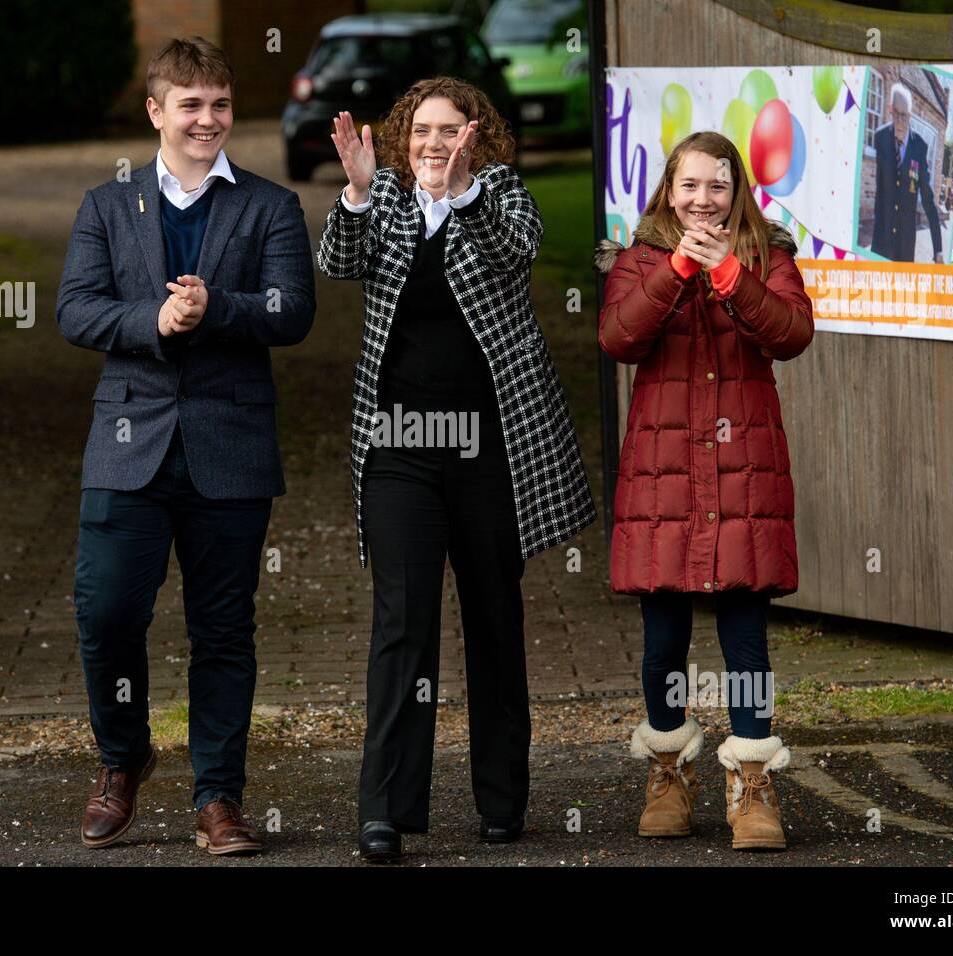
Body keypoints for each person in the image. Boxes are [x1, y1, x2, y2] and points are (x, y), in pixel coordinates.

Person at [317, 76, 595, 863]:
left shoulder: (500, 194)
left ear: (477, 136)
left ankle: (502, 801)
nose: (434, 145)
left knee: (494, 621)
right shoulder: (390, 198)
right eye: (421, 132)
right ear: (402, 139)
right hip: (399, 445)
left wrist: (463, 190)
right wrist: (360, 191)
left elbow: (518, 250)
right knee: (402, 623)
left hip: (489, 449)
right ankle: (386, 809)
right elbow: (337, 261)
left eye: (449, 131)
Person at [55, 37, 315, 856]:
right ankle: (124, 758)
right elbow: (76, 310)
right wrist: (152, 321)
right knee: (105, 614)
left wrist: (219, 308)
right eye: (191, 104)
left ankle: (218, 798)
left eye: (221, 105)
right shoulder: (107, 204)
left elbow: (293, 311)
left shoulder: (269, 205)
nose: (209, 119)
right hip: (127, 443)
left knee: (223, 631)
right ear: (157, 111)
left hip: (229, 446)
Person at [595, 130, 813, 851]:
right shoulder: (639, 257)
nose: (703, 199)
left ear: (736, 191)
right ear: (669, 189)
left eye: (717, 186)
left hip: (742, 472)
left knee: (745, 642)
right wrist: (679, 269)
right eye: (690, 185)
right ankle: (666, 771)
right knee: (665, 639)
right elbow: (619, 337)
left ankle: (753, 787)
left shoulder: (767, 254)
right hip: (664, 482)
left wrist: (729, 277)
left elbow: (791, 332)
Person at [870, 82, 943, 263]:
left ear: (910, 116)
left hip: (905, 244)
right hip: (881, 241)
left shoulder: (919, 146)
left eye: (904, 116)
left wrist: (938, 250)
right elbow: (881, 190)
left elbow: (927, 198)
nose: (900, 121)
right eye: (896, 114)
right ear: (890, 110)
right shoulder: (880, 138)